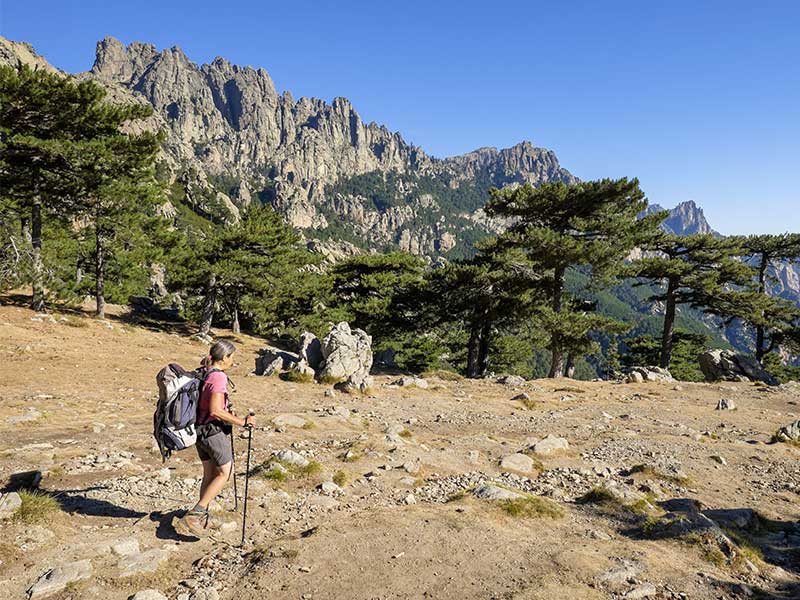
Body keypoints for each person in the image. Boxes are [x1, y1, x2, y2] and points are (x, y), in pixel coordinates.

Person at [177, 339, 256, 537]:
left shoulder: (204, 370)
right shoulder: (218, 377)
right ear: (225, 357)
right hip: (212, 431)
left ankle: (201, 516)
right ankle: (196, 514)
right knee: (224, 474)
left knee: (210, 473)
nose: (233, 361)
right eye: (232, 357)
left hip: (198, 430)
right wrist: (242, 421)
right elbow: (216, 410)